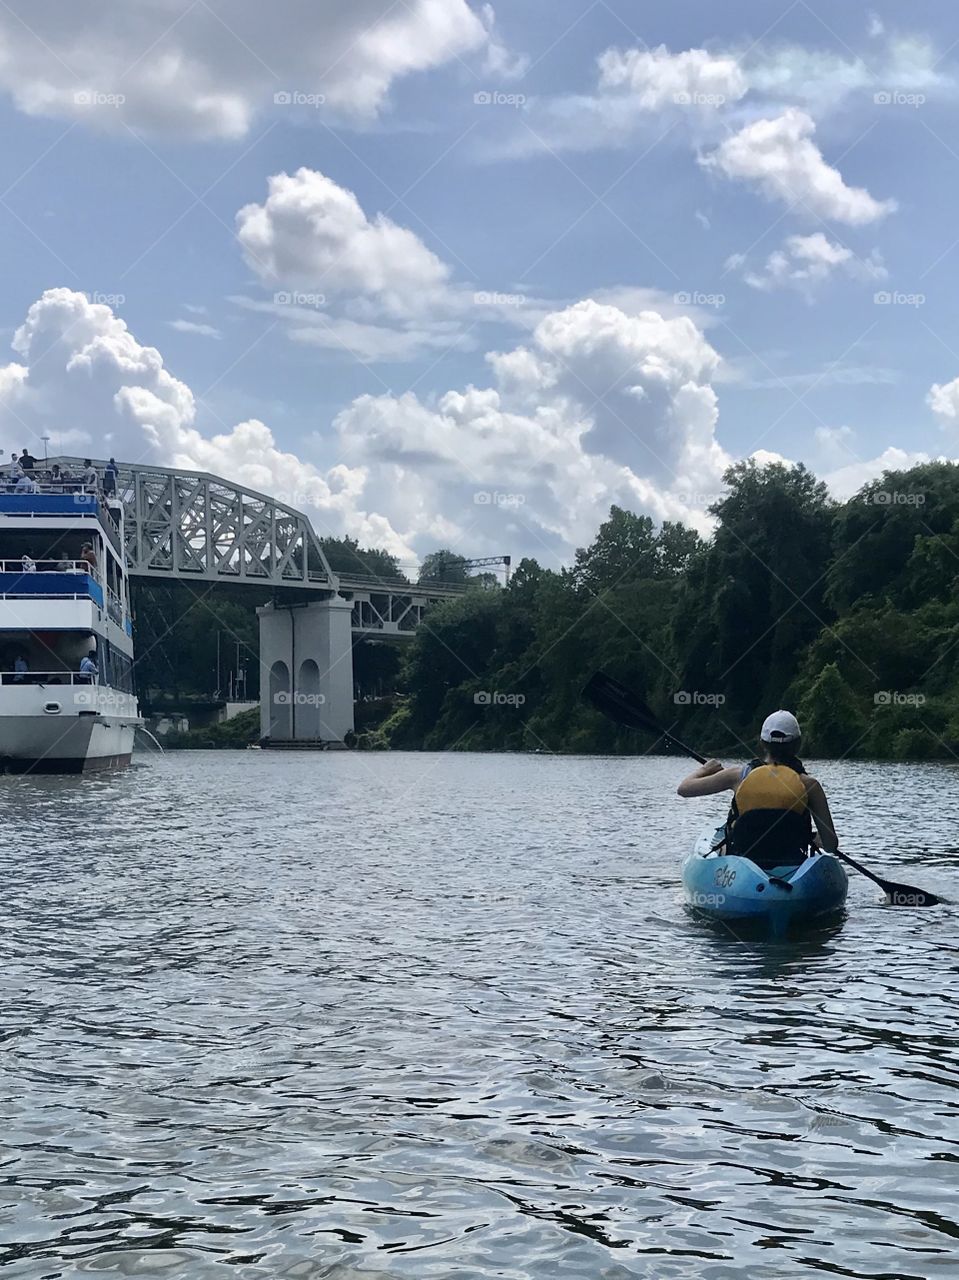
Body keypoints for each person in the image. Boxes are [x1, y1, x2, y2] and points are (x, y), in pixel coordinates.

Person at [677, 710, 838, 869]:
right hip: (791, 863)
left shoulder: (738, 776)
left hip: (744, 863)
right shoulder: (810, 785)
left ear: (762, 743)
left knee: (724, 843)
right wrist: (811, 837)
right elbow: (830, 845)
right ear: (798, 745)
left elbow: (684, 789)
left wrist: (705, 769)